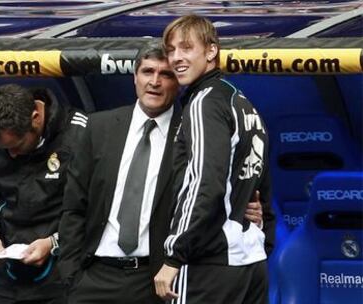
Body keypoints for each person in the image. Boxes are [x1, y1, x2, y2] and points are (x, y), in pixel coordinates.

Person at [58, 42, 265, 304]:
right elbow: (74, 206)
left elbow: (213, 192)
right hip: (93, 278)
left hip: (158, 279)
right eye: (147, 71)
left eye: (166, 74)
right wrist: (72, 275)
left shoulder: (195, 129)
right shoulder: (99, 127)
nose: (155, 82)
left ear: (178, 82)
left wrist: (250, 213)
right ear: (135, 76)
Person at [154, 15, 275, 304]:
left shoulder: (204, 102)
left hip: (211, 263)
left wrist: (174, 255)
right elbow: (261, 186)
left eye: (186, 48)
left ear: (211, 51)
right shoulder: (242, 103)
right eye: (171, 50)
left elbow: (204, 183)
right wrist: (263, 236)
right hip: (251, 262)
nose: (176, 58)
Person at [0, 83, 88, 304]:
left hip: (67, 273)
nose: (11, 155)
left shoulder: (79, 133)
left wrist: (53, 243)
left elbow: (97, 205)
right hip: (9, 278)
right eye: (4, 149)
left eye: (17, 145)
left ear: (36, 117)